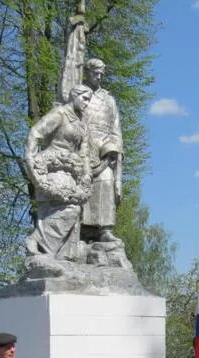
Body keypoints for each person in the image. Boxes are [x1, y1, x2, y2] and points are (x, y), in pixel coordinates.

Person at [23, 84, 94, 260]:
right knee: (68, 210)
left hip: (71, 173)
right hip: (52, 170)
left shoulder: (82, 125)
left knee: (71, 212)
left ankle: (50, 254)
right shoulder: (60, 114)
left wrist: (86, 174)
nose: (87, 103)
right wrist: (31, 161)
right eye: (85, 98)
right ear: (74, 95)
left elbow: (83, 153)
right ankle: (40, 246)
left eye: (89, 100)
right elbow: (35, 133)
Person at [81, 58, 125, 249]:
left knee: (107, 182)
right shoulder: (79, 94)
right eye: (94, 73)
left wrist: (115, 150)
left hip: (105, 151)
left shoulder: (108, 99)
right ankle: (81, 229)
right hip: (82, 146)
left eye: (101, 74)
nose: (98, 77)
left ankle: (105, 229)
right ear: (87, 72)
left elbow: (116, 129)